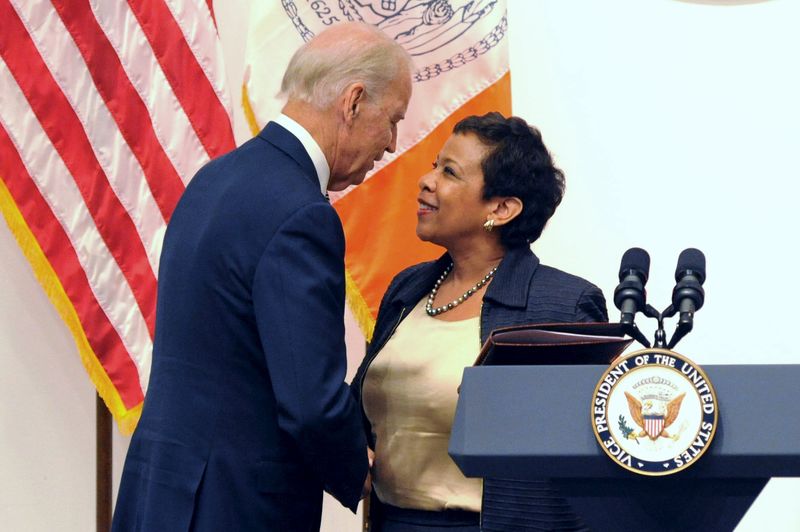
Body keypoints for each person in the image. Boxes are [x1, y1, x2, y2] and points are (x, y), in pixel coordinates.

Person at [112, 22, 412, 532]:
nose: (391, 144)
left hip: (161, 492)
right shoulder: (302, 213)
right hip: (234, 506)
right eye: (393, 120)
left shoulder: (215, 178)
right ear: (354, 102)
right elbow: (309, 402)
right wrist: (361, 470)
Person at [352, 112, 607, 532]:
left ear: (502, 208)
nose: (427, 180)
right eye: (435, 165)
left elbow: (584, 457)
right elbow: (362, 410)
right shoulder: (407, 288)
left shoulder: (562, 306)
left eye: (449, 172)